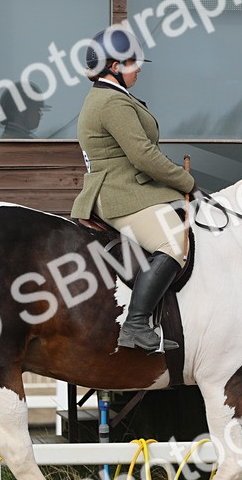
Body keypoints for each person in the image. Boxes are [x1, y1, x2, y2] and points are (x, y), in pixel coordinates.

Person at [69, 27, 195, 353]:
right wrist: (187, 182)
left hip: (127, 187)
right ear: (114, 66)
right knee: (172, 243)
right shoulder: (111, 102)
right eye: (132, 63)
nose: (138, 68)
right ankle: (137, 325)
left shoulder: (111, 97)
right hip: (120, 193)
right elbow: (144, 157)